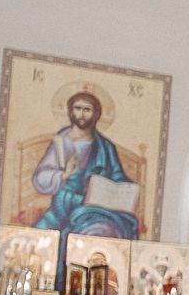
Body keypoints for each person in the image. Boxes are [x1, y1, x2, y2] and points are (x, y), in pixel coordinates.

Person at [31, 90, 141, 239]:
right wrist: (63, 175)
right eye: (77, 108)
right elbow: (40, 177)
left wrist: (125, 190)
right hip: (64, 204)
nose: (81, 114)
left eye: (87, 109)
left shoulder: (105, 146)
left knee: (100, 231)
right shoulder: (60, 142)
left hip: (94, 207)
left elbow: (117, 175)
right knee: (35, 237)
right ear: (70, 111)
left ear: (96, 114)